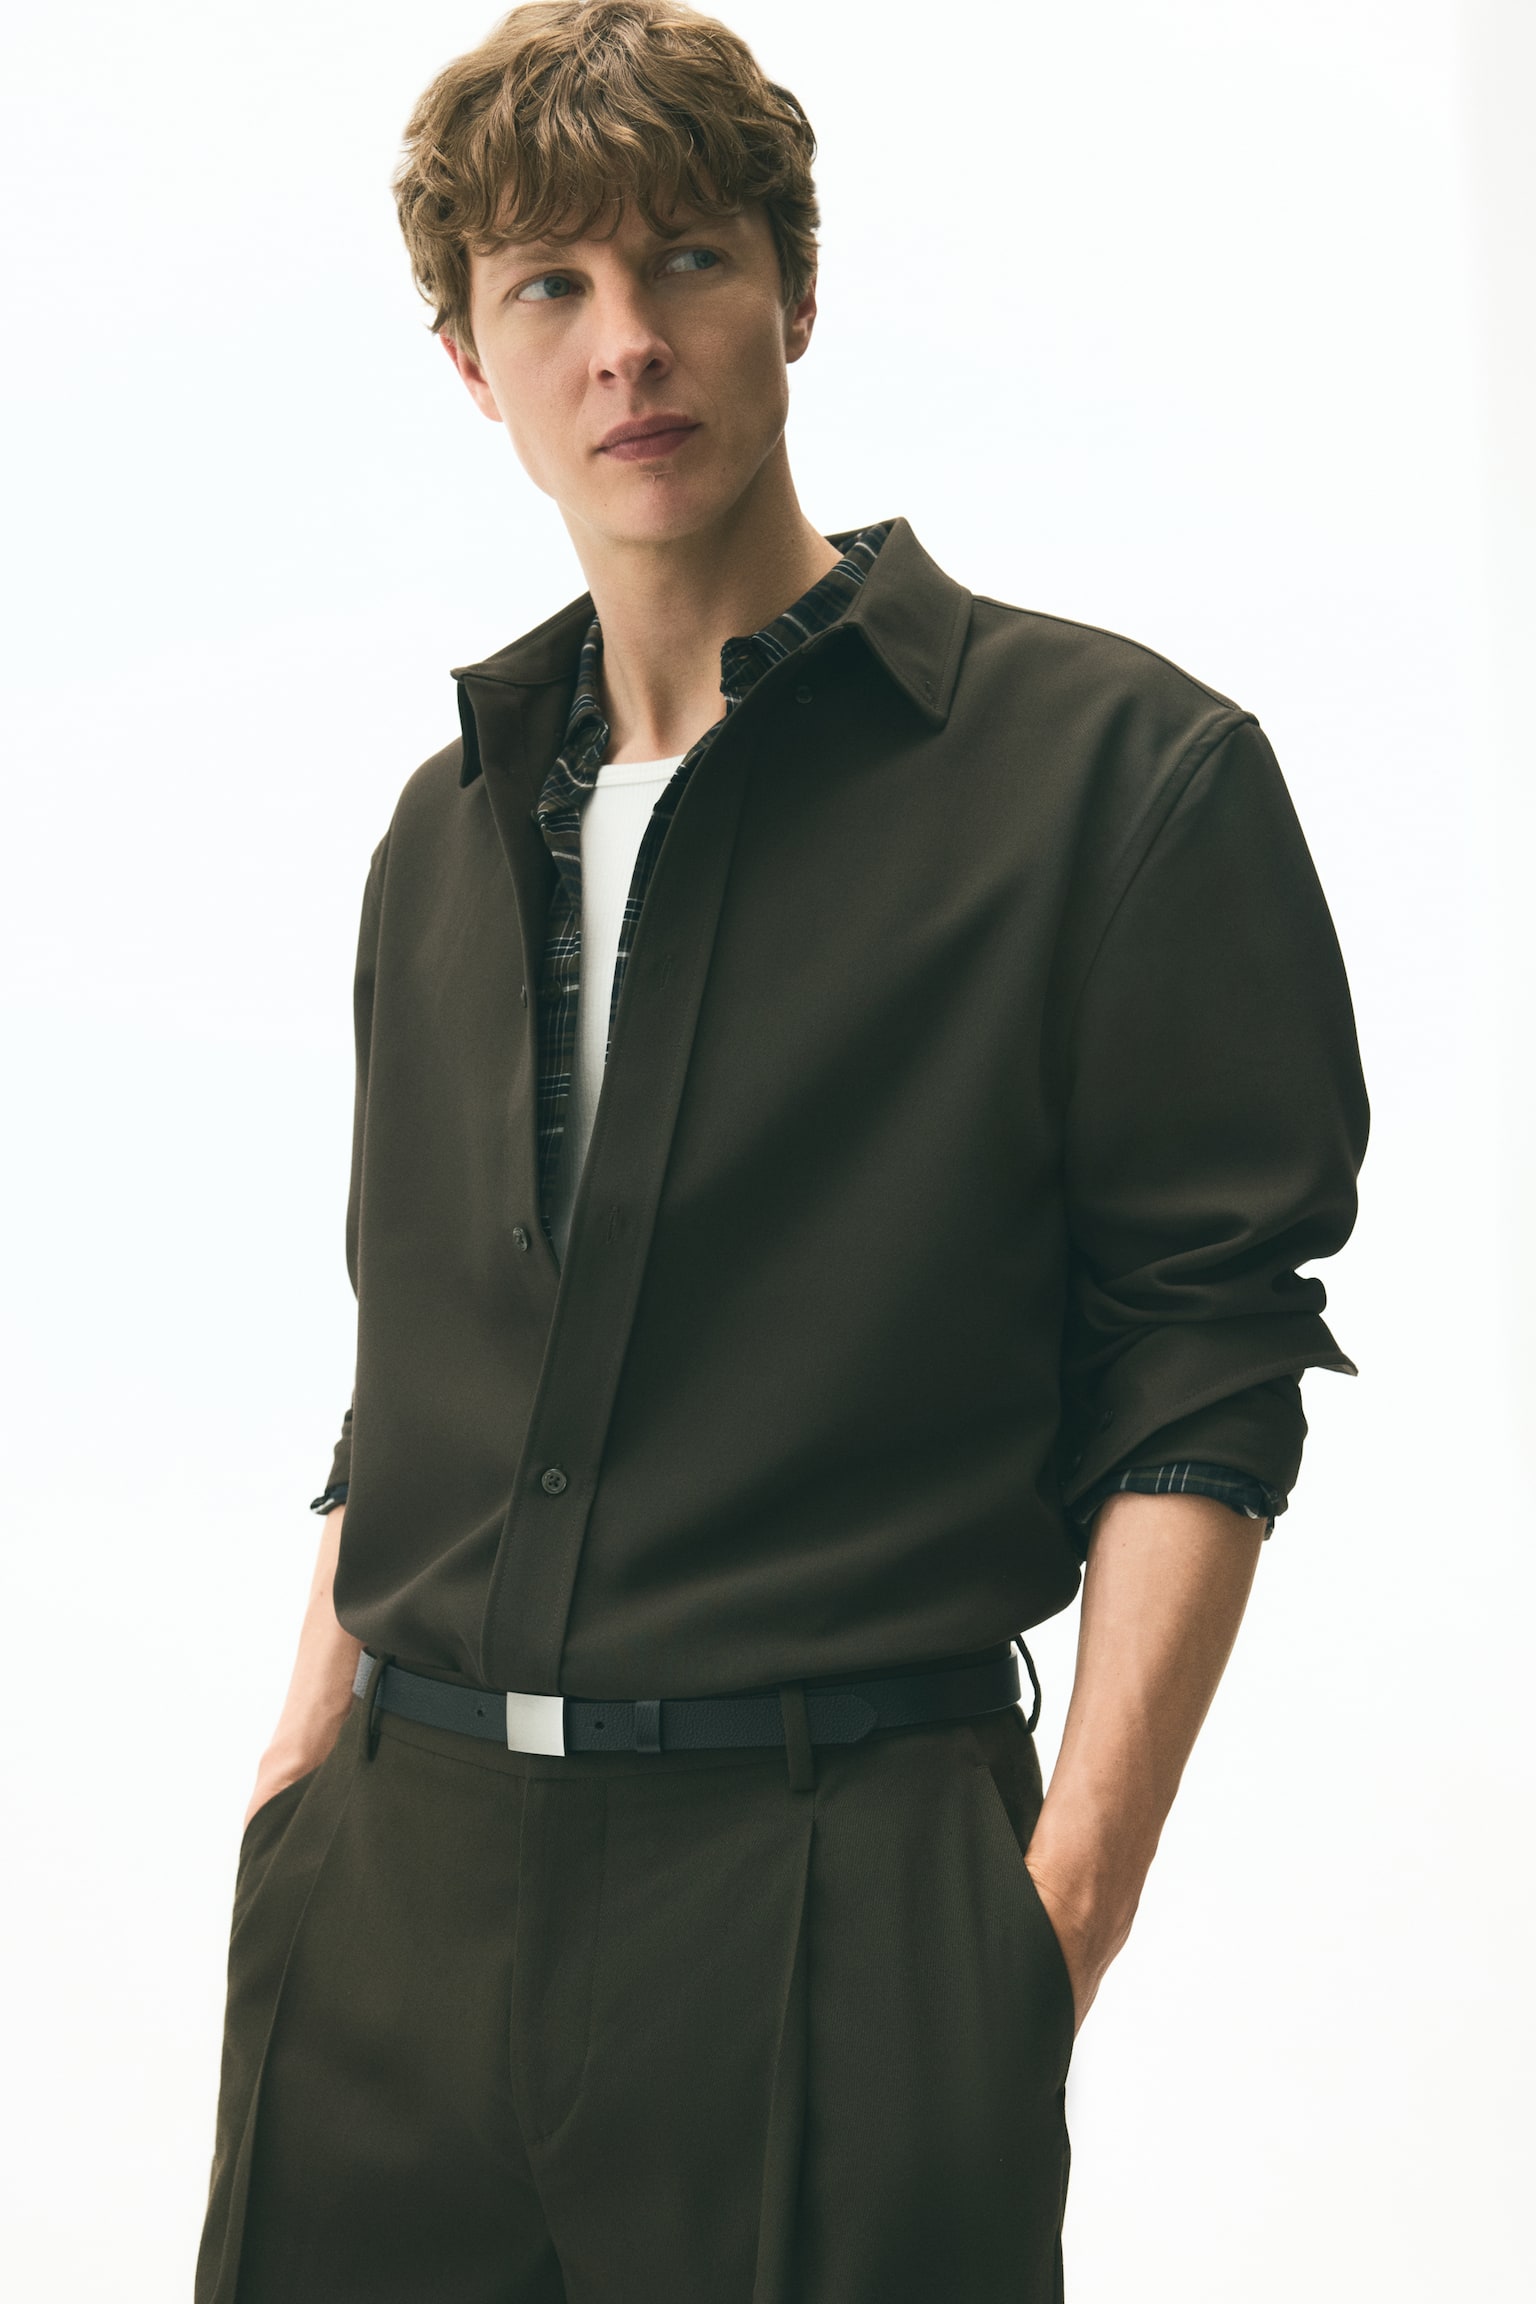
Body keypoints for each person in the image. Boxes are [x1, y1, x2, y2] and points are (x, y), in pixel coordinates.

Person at [194, 4, 1369, 2299]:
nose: (626, 344)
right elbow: (414, 1363)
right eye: (551, 286)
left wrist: (1055, 1917)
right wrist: (297, 1776)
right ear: (470, 362)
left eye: (688, 262)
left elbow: (1205, 1364)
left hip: (831, 1905)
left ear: (796, 293)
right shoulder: (441, 834)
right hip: (391, 1916)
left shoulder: (1115, 779)